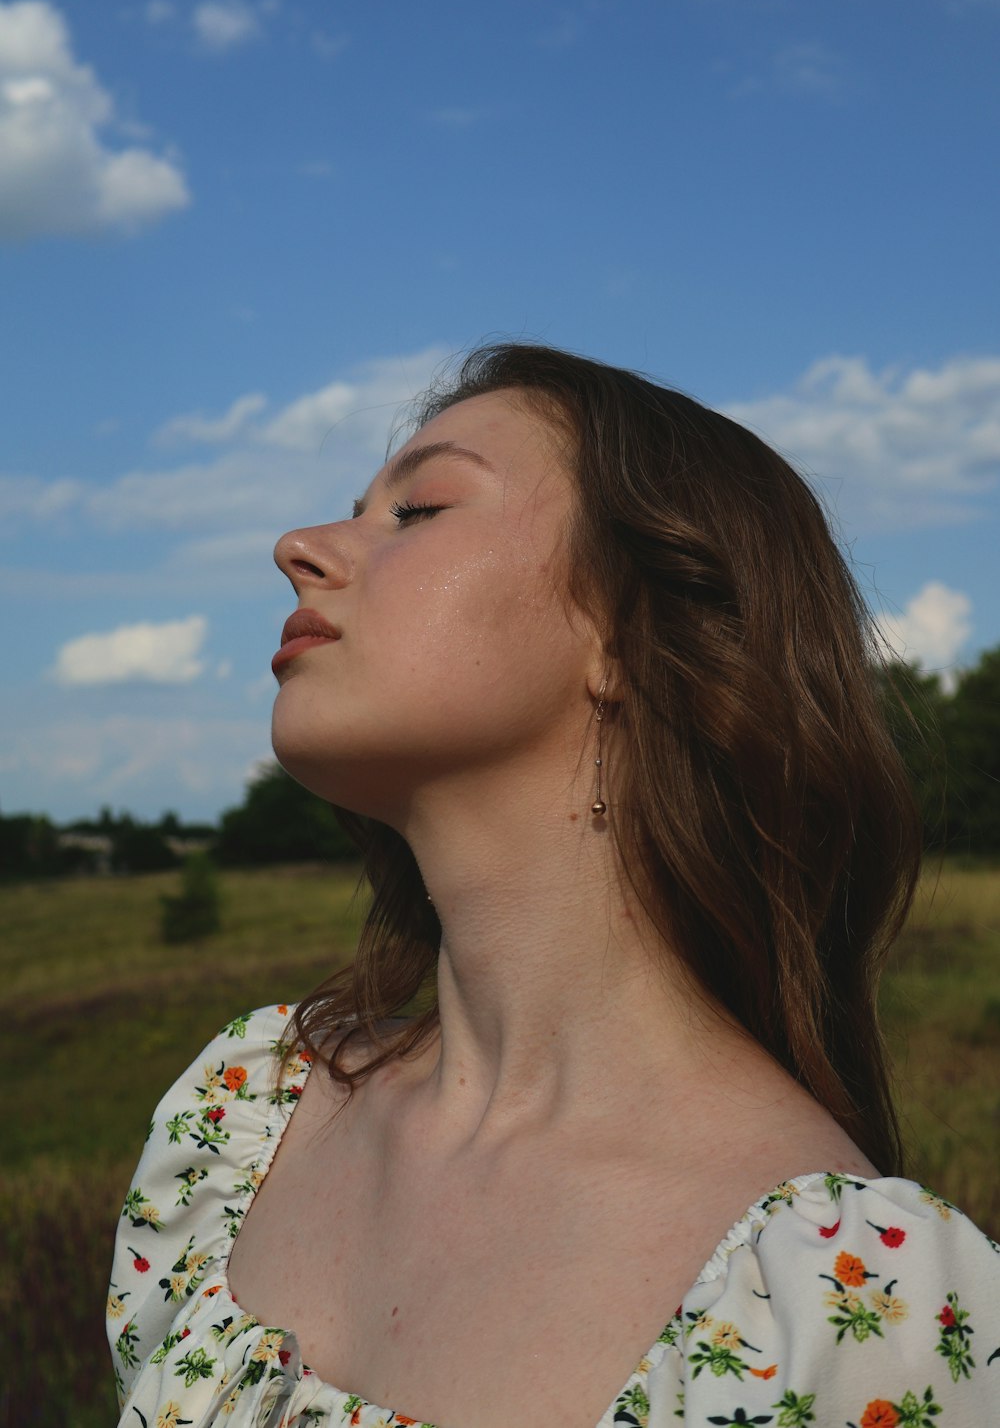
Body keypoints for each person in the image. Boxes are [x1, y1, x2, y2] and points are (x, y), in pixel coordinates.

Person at [107, 343, 998, 1428]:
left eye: (420, 509)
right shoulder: (238, 1124)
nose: (297, 547)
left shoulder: (852, 1302)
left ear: (629, 630)